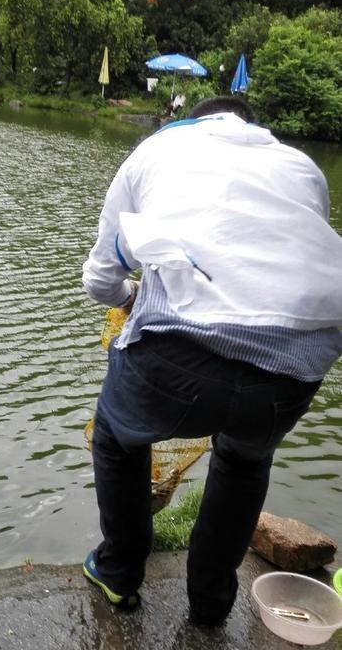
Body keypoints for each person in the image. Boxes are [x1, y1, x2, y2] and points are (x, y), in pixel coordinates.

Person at [81, 96, 342, 624]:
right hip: (295, 365)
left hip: (176, 355)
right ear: (255, 126)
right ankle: (210, 605)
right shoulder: (303, 168)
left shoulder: (156, 149)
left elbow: (100, 280)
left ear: (195, 119)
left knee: (116, 434)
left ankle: (119, 572)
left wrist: (130, 298)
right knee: (245, 461)